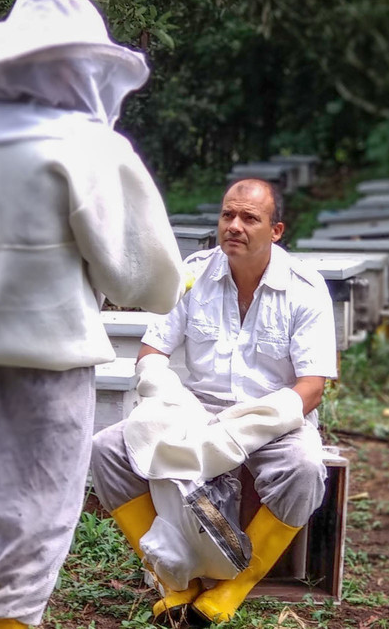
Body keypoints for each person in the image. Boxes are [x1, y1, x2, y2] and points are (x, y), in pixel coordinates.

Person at [0, 0, 186, 629]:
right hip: (47, 383)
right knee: (23, 549)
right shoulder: (86, 148)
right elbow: (148, 278)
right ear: (80, 66)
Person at [91, 178, 338, 625]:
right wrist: (167, 402)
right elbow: (152, 353)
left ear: (276, 230)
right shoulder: (195, 272)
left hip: (274, 418)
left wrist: (249, 428)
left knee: (303, 467)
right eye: (228, 215)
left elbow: (312, 387)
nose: (235, 226)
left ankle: (231, 590)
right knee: (107, 449)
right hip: (197, 411)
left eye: (249, 218)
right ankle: (176, 584)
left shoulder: (306, 288)